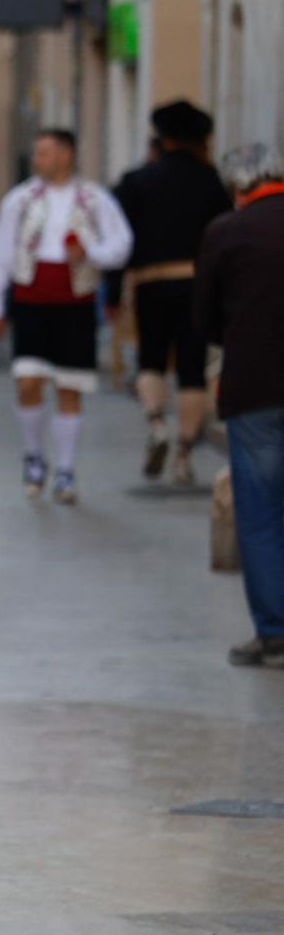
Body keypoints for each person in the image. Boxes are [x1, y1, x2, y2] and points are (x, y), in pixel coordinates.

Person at [0, 128, 133, 504]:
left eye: (45, 152)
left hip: (75, 301)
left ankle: (65, 469)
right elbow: (0, 253)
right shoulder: (20, 200)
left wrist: (91, 253)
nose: (38, 160)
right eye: (37, 153)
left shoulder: (95, 199)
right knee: (28, 381)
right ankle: (34, 455)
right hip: (31, 299)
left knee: (70, 385)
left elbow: (122, 243)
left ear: (67, 154)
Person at [194, 144, 284, 667]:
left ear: (238, 188)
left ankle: (274, 633)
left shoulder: (225, 232)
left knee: (262, 513)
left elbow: (204, 320)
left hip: (255, 389)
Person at [114, 100, 233, 486]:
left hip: (151, 282)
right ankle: (183, 453)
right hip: (198, 284)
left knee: (150, 358)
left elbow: (118, 244)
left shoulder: (136, 182)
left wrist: (113, 293)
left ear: (161, 139)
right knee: (192, 368)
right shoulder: (212, 182)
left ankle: (157, 424)